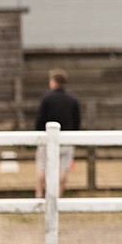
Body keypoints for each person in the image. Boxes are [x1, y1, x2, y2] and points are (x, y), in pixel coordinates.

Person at [35, 69, 81, 197]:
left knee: (42, 165)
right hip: (66, 139)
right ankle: (59, 194)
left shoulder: (46, 98)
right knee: (63, 167)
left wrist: (39, 134)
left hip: (46, 138)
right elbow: (77, 120)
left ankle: (39, 193)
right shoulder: (72, 99)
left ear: (53, 82)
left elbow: (40, 118)